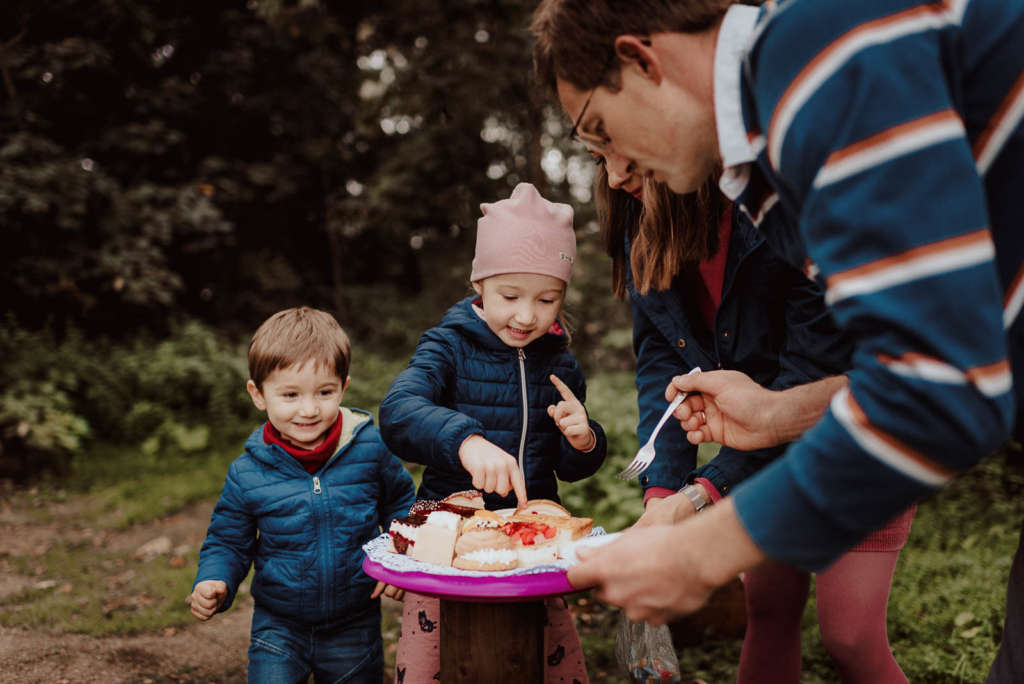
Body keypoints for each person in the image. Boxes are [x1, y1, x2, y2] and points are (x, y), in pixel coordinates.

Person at [531, 2, 1023, 679]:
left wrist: (702, 550)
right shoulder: (771, 165)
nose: (613, 173)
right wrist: (778, 412)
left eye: (601, 130)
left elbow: (943, 390)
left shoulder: (817, 56)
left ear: (641, 60)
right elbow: (960, 356)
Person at [596, 159, 911, 682]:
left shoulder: (779, 205)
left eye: (615, 147)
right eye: (596, 155)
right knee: (768, 613)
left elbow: (806, 381)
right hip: (756, 450)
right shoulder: (641, 221)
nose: (612, 176)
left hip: (851, 432)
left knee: (850, 636)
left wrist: (702, 495)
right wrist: (663, 495)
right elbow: (664, 360)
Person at [379, 181, 607, 684]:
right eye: (510, 295)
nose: (527, 315)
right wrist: (465, 439)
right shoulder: (448, 346)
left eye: (547, 299)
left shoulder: (560, 364)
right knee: (433, 662)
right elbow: (397, 411)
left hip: (531, 543)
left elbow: (569, 469)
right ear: (480, 284)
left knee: (540, 660)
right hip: (447, 535)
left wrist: (583, 439)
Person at [189, 307, 416, 683]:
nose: (309, 410)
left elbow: (404, 507)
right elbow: (228, 540)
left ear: (343, 387)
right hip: (279, 625)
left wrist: (402, 553)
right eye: (290, 394)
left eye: (324, 392)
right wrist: (214, 579)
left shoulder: (371, 449)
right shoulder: (247, 473)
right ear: (258, 394)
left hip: (353, 624)